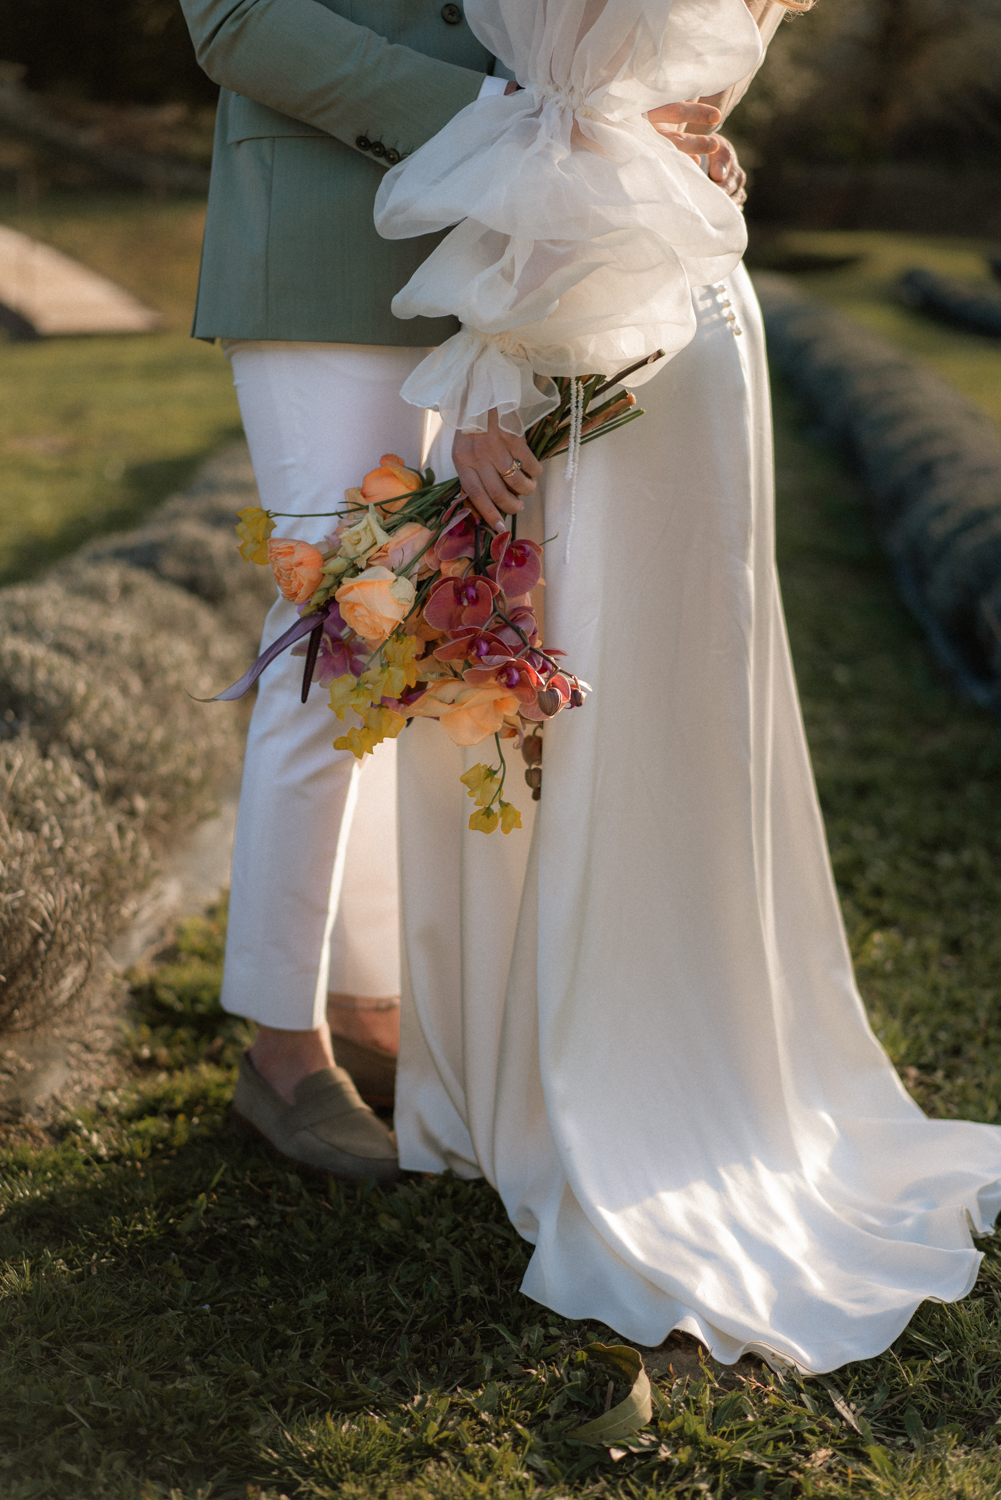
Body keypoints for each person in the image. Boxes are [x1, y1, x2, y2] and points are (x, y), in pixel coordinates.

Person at [369, 0, 1001, 1374]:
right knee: (626, 690)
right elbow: (639, 93)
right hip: (671, 300)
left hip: (603, 316)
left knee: (613, 688)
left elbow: (572, 104)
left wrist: (486, 379)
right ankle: (645, 1047)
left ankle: (596, 1067)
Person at [178, 0, 747, 1182]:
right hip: (324, 246)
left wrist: (628, 132)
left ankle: (366, 1000)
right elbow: (236, 21)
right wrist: (500, 119)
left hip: (506, 262)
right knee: (337, 636)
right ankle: (279, 1045)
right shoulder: (478, 128)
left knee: (433, 656)